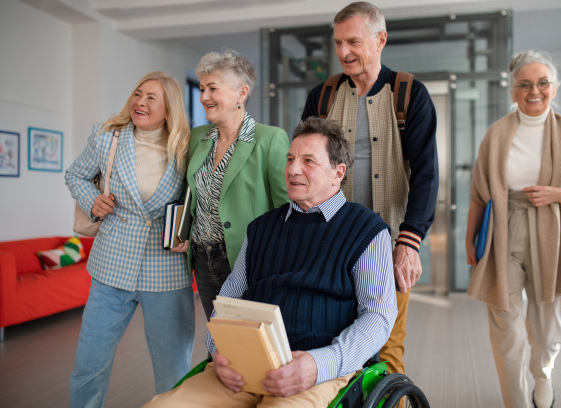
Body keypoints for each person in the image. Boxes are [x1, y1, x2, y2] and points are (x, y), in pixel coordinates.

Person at [143, 117, 398, 407]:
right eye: (290, 159)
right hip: (243, 365)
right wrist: (219, 353)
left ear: (337, 173)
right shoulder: (261, 228)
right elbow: (228, 300)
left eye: (308, 161)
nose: (292, 169)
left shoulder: (366, 230)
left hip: (319, 370)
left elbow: (378, 316)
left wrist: (319, 364)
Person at [301, 1, 438, 375]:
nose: (343, 52)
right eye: (338, 42)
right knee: (330, 341)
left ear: (380, 40)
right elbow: (306, 165)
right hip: (330, 244)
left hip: (388, 242)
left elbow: (426, 173)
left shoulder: (409, 94)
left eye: (354, 42)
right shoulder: (322, 97)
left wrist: (409, 243)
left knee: (387, 350)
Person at [465, 51, 561, 408]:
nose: (533, 91)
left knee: (548, 322)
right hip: (504, 227)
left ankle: (543, 374)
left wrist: (558, 193)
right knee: (504, 318)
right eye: (525, 84)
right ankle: (516, 400)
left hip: (553, 224)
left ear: (554, 88)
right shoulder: (497, 134)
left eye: (542, 83)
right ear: (513, 91)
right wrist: (469, 239)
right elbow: (478, 193)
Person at [65, 71, 195, 407]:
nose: (140, 102)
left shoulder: (186, 147)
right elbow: (75, 175)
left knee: (173, 373)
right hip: (111, 268)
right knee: (89, 366)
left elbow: (199, 200)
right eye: (138, 94)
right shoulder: (107, 137)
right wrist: (91, 200)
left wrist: (189, 234)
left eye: (152, 98)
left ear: (169, 110)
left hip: (166, 270)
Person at [171, 50, 289, 320]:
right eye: (202, 89)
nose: (203, 97)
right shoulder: (198, 137)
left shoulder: (269, 139)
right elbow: (190, 193)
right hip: (202, 259)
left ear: (241, 93)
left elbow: (287, 208)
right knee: (220, 343)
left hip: (247, 260)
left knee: (250, 345)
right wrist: (182, 231)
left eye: (213, 88)